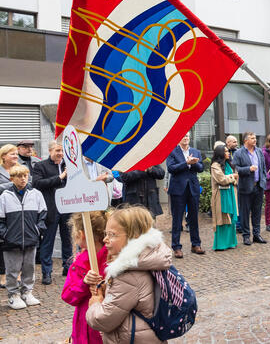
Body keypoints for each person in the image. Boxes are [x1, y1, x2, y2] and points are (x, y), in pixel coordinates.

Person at [86, 206, 172, 344]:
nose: (105, 239)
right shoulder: (146, 259)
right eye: (105, 233)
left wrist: (95, 304)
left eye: (112, 234)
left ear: (133, 236)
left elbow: (104, 320)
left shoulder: (128, 275)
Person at [0, 165, 46, 309]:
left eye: (25, 176)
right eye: (19, 176)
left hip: (31, 238)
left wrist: (38, 230)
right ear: (12, 179)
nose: (23, 179)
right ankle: (13, 295)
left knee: (29, 267)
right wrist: (6, 235)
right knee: (12, 270)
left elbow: (42, 214)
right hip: (11, 241)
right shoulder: (5, 196)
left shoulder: (36, 194)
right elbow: (0, 220)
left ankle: (27, 292)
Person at [61, 211, 109, 344]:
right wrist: (84, 284)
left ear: (81, 234)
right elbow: (67, 295)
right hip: (83, 329)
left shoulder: (111, 259)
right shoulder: (79, 262)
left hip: (100, 328)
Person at [33, 140, 71, 285]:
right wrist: (60, 177)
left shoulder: (68, 165)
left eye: (62, 151)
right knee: (48, 241)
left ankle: (67, 267)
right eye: (57, 151)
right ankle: (46, 272)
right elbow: (37, 184)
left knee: (68, 239)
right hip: (50, 208)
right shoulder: (40, 166)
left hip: (67, 208)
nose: (60, 154)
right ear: (50, 151)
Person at [166, 133, 205, 258]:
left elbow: (201, 168)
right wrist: (186, 162)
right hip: (178, 189)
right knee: (177, 219)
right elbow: (171, 168)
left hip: (192, 188)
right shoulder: (172, 151)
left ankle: (196, 244)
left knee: (194, 218)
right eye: (183, 136)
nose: (186, 138)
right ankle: (176, 247)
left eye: (187, 136)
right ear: (178, 138)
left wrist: (193, 163)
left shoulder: (195, 151)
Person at [233, 132, 267, 246]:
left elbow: (263, 168)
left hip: (258, 186)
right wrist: (248, 169)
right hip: (245, 187)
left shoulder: (259, 151)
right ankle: (246, 236)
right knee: (245, 213)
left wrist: (264, 180)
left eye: (255, 137)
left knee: (257, 212)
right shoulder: (238, 153)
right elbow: (236, 168)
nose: (255, 140)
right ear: (246, 140)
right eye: (252, 138)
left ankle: (257, 235)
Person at [210, 144, 239, 250]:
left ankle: (231, 243)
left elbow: (235, 178)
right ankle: (221, 244)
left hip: (230, 194)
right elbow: (221, 180)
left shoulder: (228, 164)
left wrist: (233, 178)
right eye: (226, 151)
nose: (228, 153)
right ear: (220, 153)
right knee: (222, 218)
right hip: (220, 197)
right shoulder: (215, 166)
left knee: (230, 217)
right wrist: (233, 177)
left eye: (228, 151)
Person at [0, 144, 20, 288]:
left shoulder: (20, 169)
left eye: (16, 154)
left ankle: (18, 274)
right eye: (12, 154)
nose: (15, 156)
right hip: (2, 211)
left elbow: (30, 185)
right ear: (3, 156)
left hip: (18, 211)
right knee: (3, 244)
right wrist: (14, 184)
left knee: (18, 243)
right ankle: (2, 276)